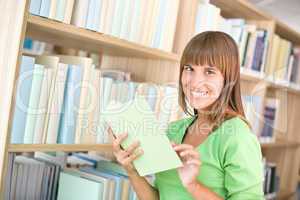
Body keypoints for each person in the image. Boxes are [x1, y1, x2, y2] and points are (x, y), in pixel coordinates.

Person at [109, 31, 264, 200]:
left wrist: (193, 185)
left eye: (209, 71)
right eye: (189, 68)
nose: (195, 82)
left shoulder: (238, 137)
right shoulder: (174, 130)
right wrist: (132, 170)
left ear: (228, 79)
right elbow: (160, 197)